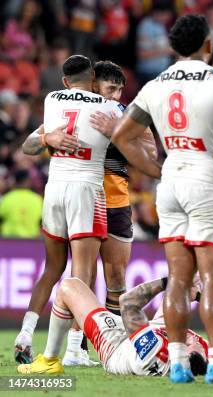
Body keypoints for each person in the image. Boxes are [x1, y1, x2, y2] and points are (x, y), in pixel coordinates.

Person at [112, 14, 213, 384]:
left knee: (179, 280)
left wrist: (157, 169)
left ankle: (178, 365)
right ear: (208, 45)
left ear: (172, 47)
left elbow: (122, 136)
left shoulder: (154, 84)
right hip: (209, 180)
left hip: (172, 182)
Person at [15, 61, 156, 367]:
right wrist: (46, 139)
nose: (117, 95)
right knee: (82, 275)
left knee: (113, 277)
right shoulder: (97, 109)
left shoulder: (61, 102)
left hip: (113, 200)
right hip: (88, 195)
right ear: (93, 83)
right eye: (111, 88)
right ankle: (72, 349)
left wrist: (120, 136)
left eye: (121, 89)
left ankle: (94, 347)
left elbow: (150, 152)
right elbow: (29, 145)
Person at [16, 275, 213, 376]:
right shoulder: (209, 355)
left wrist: (170, 281)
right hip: (149, 330)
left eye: (191, 347)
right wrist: (199, 294)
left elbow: (128, 303)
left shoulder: (155, 351)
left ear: (179, 354)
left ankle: (49, 361)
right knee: (187, 284)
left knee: (68, 287)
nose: (197, 343)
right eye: (200, 347)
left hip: (117, 345)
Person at [0, 169, 43, 238]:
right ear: (28, 182)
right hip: (32, 240)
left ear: (15, 182)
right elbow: (42, 223)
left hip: (8, 241)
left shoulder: (7, 198)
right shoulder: (37, 199)